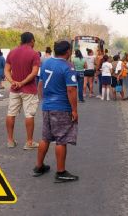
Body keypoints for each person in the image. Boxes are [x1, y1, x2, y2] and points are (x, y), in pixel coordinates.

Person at [32, 40, 79, 183]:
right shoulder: (68, 67)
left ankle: (39, 166)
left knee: (45, 137)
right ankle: (61, 172)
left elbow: (40, 83)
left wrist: (43, 99)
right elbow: (71, 89)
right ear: (68, 52)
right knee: (61, 139)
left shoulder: (45, 63)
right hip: (61, 107)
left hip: (47, 106)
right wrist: (74, 110)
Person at [4, 32, 40, 150]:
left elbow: (6, 70)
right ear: (32, 41)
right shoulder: (34, 54)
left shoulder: (12, 52)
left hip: (15, 90)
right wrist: (23, 82)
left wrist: (13, 82)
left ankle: (10, 140)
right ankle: (29, 142)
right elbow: (34, 72)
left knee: (11, 113)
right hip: (28, 90)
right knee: (29, 114)